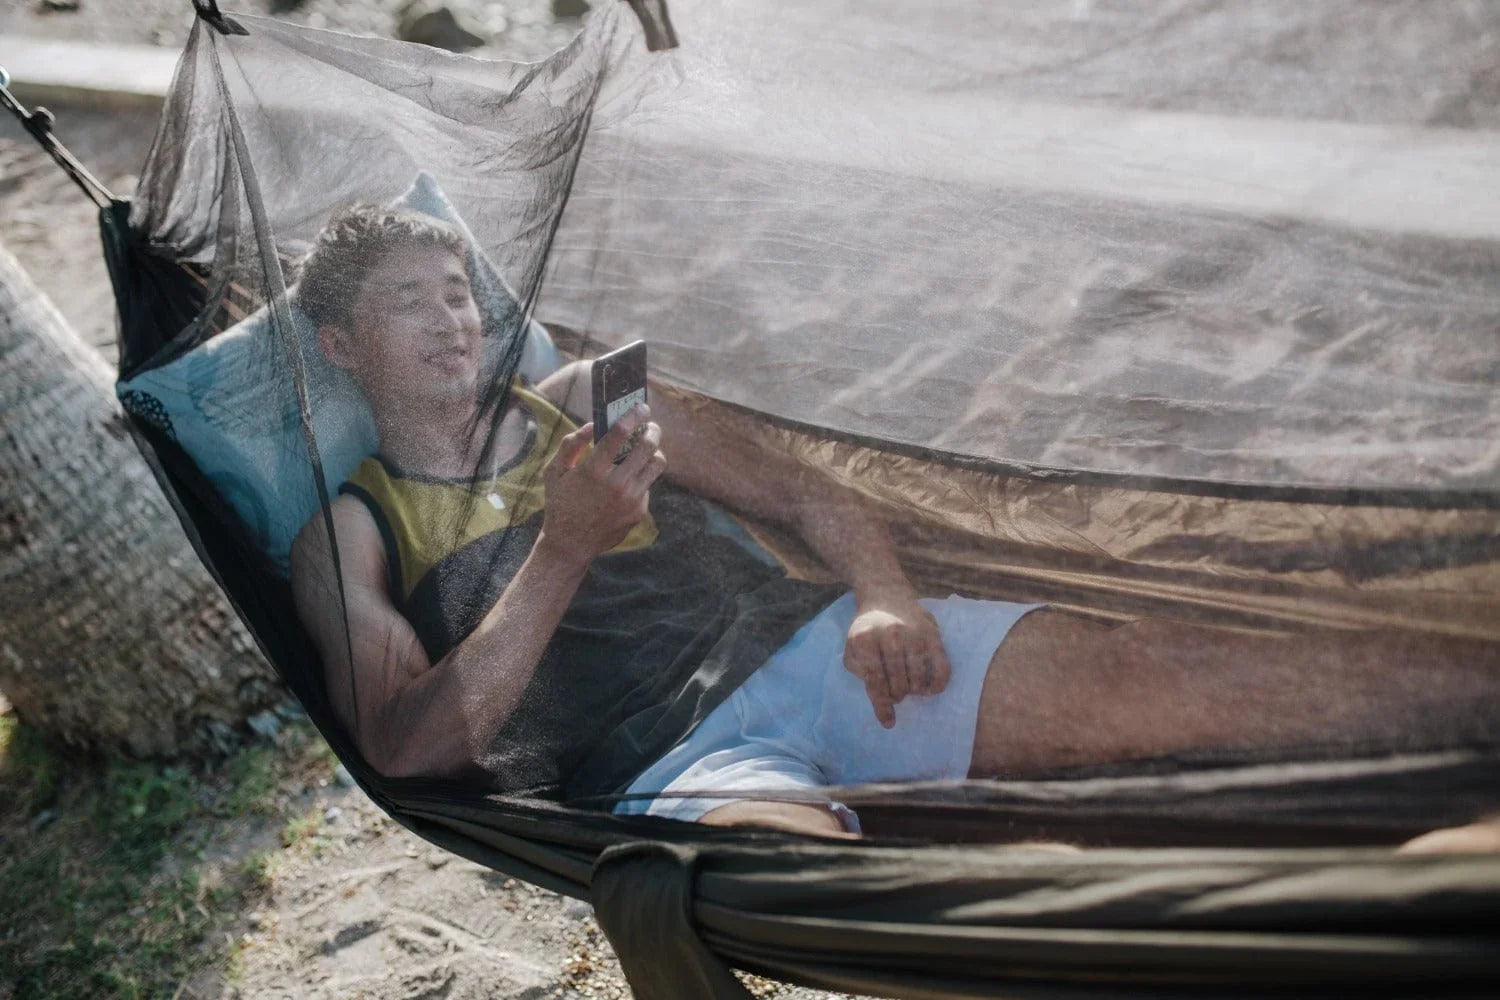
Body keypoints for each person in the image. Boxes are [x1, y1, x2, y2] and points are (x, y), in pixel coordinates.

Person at [289, 205, 1500, 840]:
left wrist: (882, 591)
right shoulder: (350, 534)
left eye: (459, 295)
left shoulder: (586, 401)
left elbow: (808, 495)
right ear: (342, 346)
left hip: (828, 656)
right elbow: (405, 750)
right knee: (825, 892)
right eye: (408, 305)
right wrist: (564, 546)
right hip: (672, 770)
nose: (452, 324)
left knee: (1165, 675)